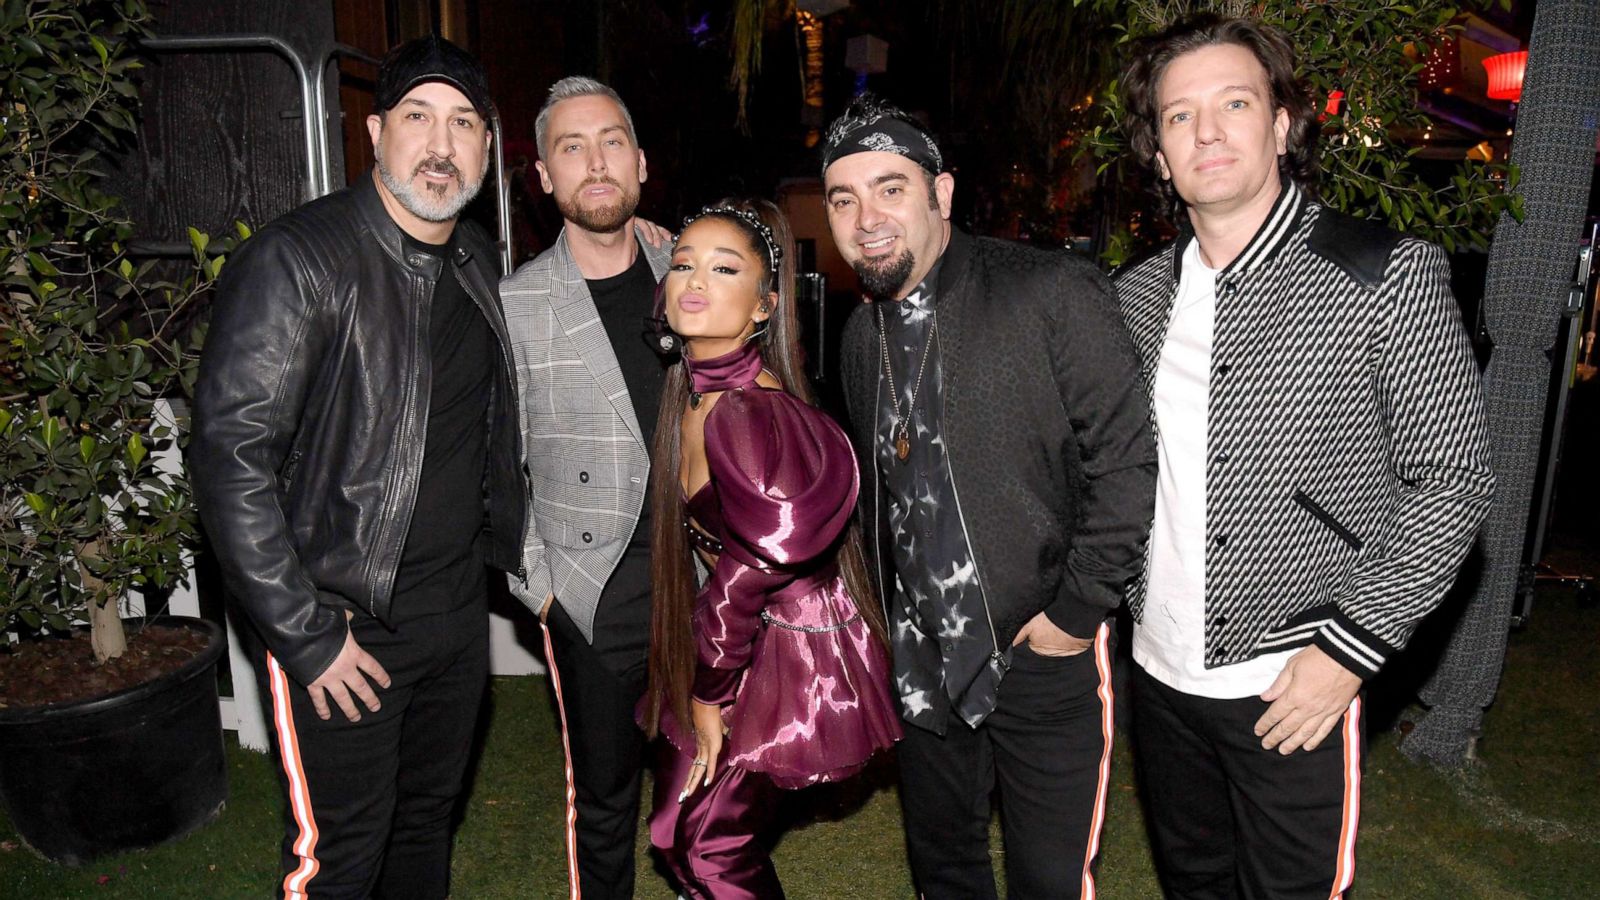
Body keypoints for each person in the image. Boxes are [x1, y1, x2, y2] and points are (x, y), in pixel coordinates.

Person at [1113, 15, 1495, 898]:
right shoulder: (1133, 296)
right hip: (1159, 674)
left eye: (1234, 103)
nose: (1207, 130)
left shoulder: (1382, 273)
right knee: (1194, 882)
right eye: (1179, 116)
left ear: (1281, 123)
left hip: (1294, 676)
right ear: (1160, 155)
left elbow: (1454, 480)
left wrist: (1349, 650)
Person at [191, 35, 519, 899]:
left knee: (426, 825)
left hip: (453, 618)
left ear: (487, 147)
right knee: (337, 857)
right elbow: (231, 463)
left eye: (463, 124)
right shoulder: (297, 262)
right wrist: (304, 635)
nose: (441, 146)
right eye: (418, 118)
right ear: (376, 133)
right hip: (343, 624)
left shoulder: (481, 263)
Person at [826, 95, 1159, 899]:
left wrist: (1076, 613)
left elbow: (1127, 462)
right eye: (844, 198)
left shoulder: (1051, 291)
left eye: (890, 187)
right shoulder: (860, 335)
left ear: (941, 194)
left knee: (1049, 881)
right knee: (944, 870)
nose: (866, 216)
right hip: (921, 662)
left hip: (1045, 657)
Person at [638, 199, 902, 899]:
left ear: (763, 307)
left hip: (781, 647)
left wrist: (710, 691)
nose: (694, 280)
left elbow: (746, 573)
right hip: (732, 636)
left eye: (724, 268)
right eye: (683, 263)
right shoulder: (690, 392)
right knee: (676, 831)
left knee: (710, 846)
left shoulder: (751, 414)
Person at [499, 76, 668, 899]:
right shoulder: (516, 304)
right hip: (592, 594)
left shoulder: (697, 265)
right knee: (605, 803)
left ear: (640, 161)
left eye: (610, 142)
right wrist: (540, 591)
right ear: (543, 176)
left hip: (709, 584)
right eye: (571, 147)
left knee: (710, 785)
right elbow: (496, 464)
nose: (594, 162)